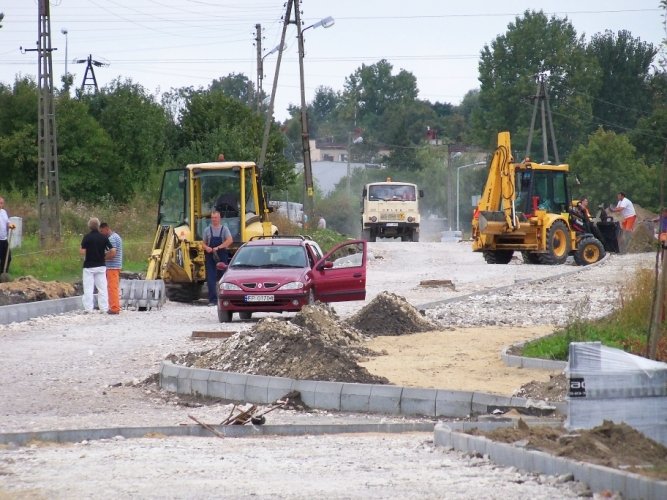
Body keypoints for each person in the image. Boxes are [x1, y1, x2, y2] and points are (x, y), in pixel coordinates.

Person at [80, 217, 113, 313]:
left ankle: (88, 309)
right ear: (98, 226)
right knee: (102, 288)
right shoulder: (103, 237)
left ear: (89, 226)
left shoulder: (86, 237)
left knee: (88, 288)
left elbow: (82, 251)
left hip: (89, 266)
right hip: (101, 265)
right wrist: (105, 257)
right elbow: (112, 249)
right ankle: (104, 308)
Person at [203, 210, 233, 305]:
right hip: (210, 255)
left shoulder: (224, 229)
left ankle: (225, 299)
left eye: (215, 218)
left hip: (221, 254)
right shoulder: (207, 230)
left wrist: (219, 247)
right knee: (211, 278)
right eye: (212, 218)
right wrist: (206, 248)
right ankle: (212, 300)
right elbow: (203, 243)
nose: (214, 220)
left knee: (224, 277)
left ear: (219, 218)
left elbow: (229, 240)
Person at [100, 222, 123, 315]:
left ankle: (114, 308)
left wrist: (102, 258)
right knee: (112, 287)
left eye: (101, 231)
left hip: (112, 267)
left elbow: (112, 253)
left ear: (106, 228)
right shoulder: (115, 236)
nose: (101, 233)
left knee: (112, 287)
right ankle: (113, 305)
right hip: (113, 266)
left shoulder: (112, 238)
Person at [0, 196, 16, 272]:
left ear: (3, 204)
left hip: (4, 239)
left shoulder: (4, 212)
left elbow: (7, 222)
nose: (0, 204)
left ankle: (4, 273)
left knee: (8, 257)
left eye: (1, 203)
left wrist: (10, 225)